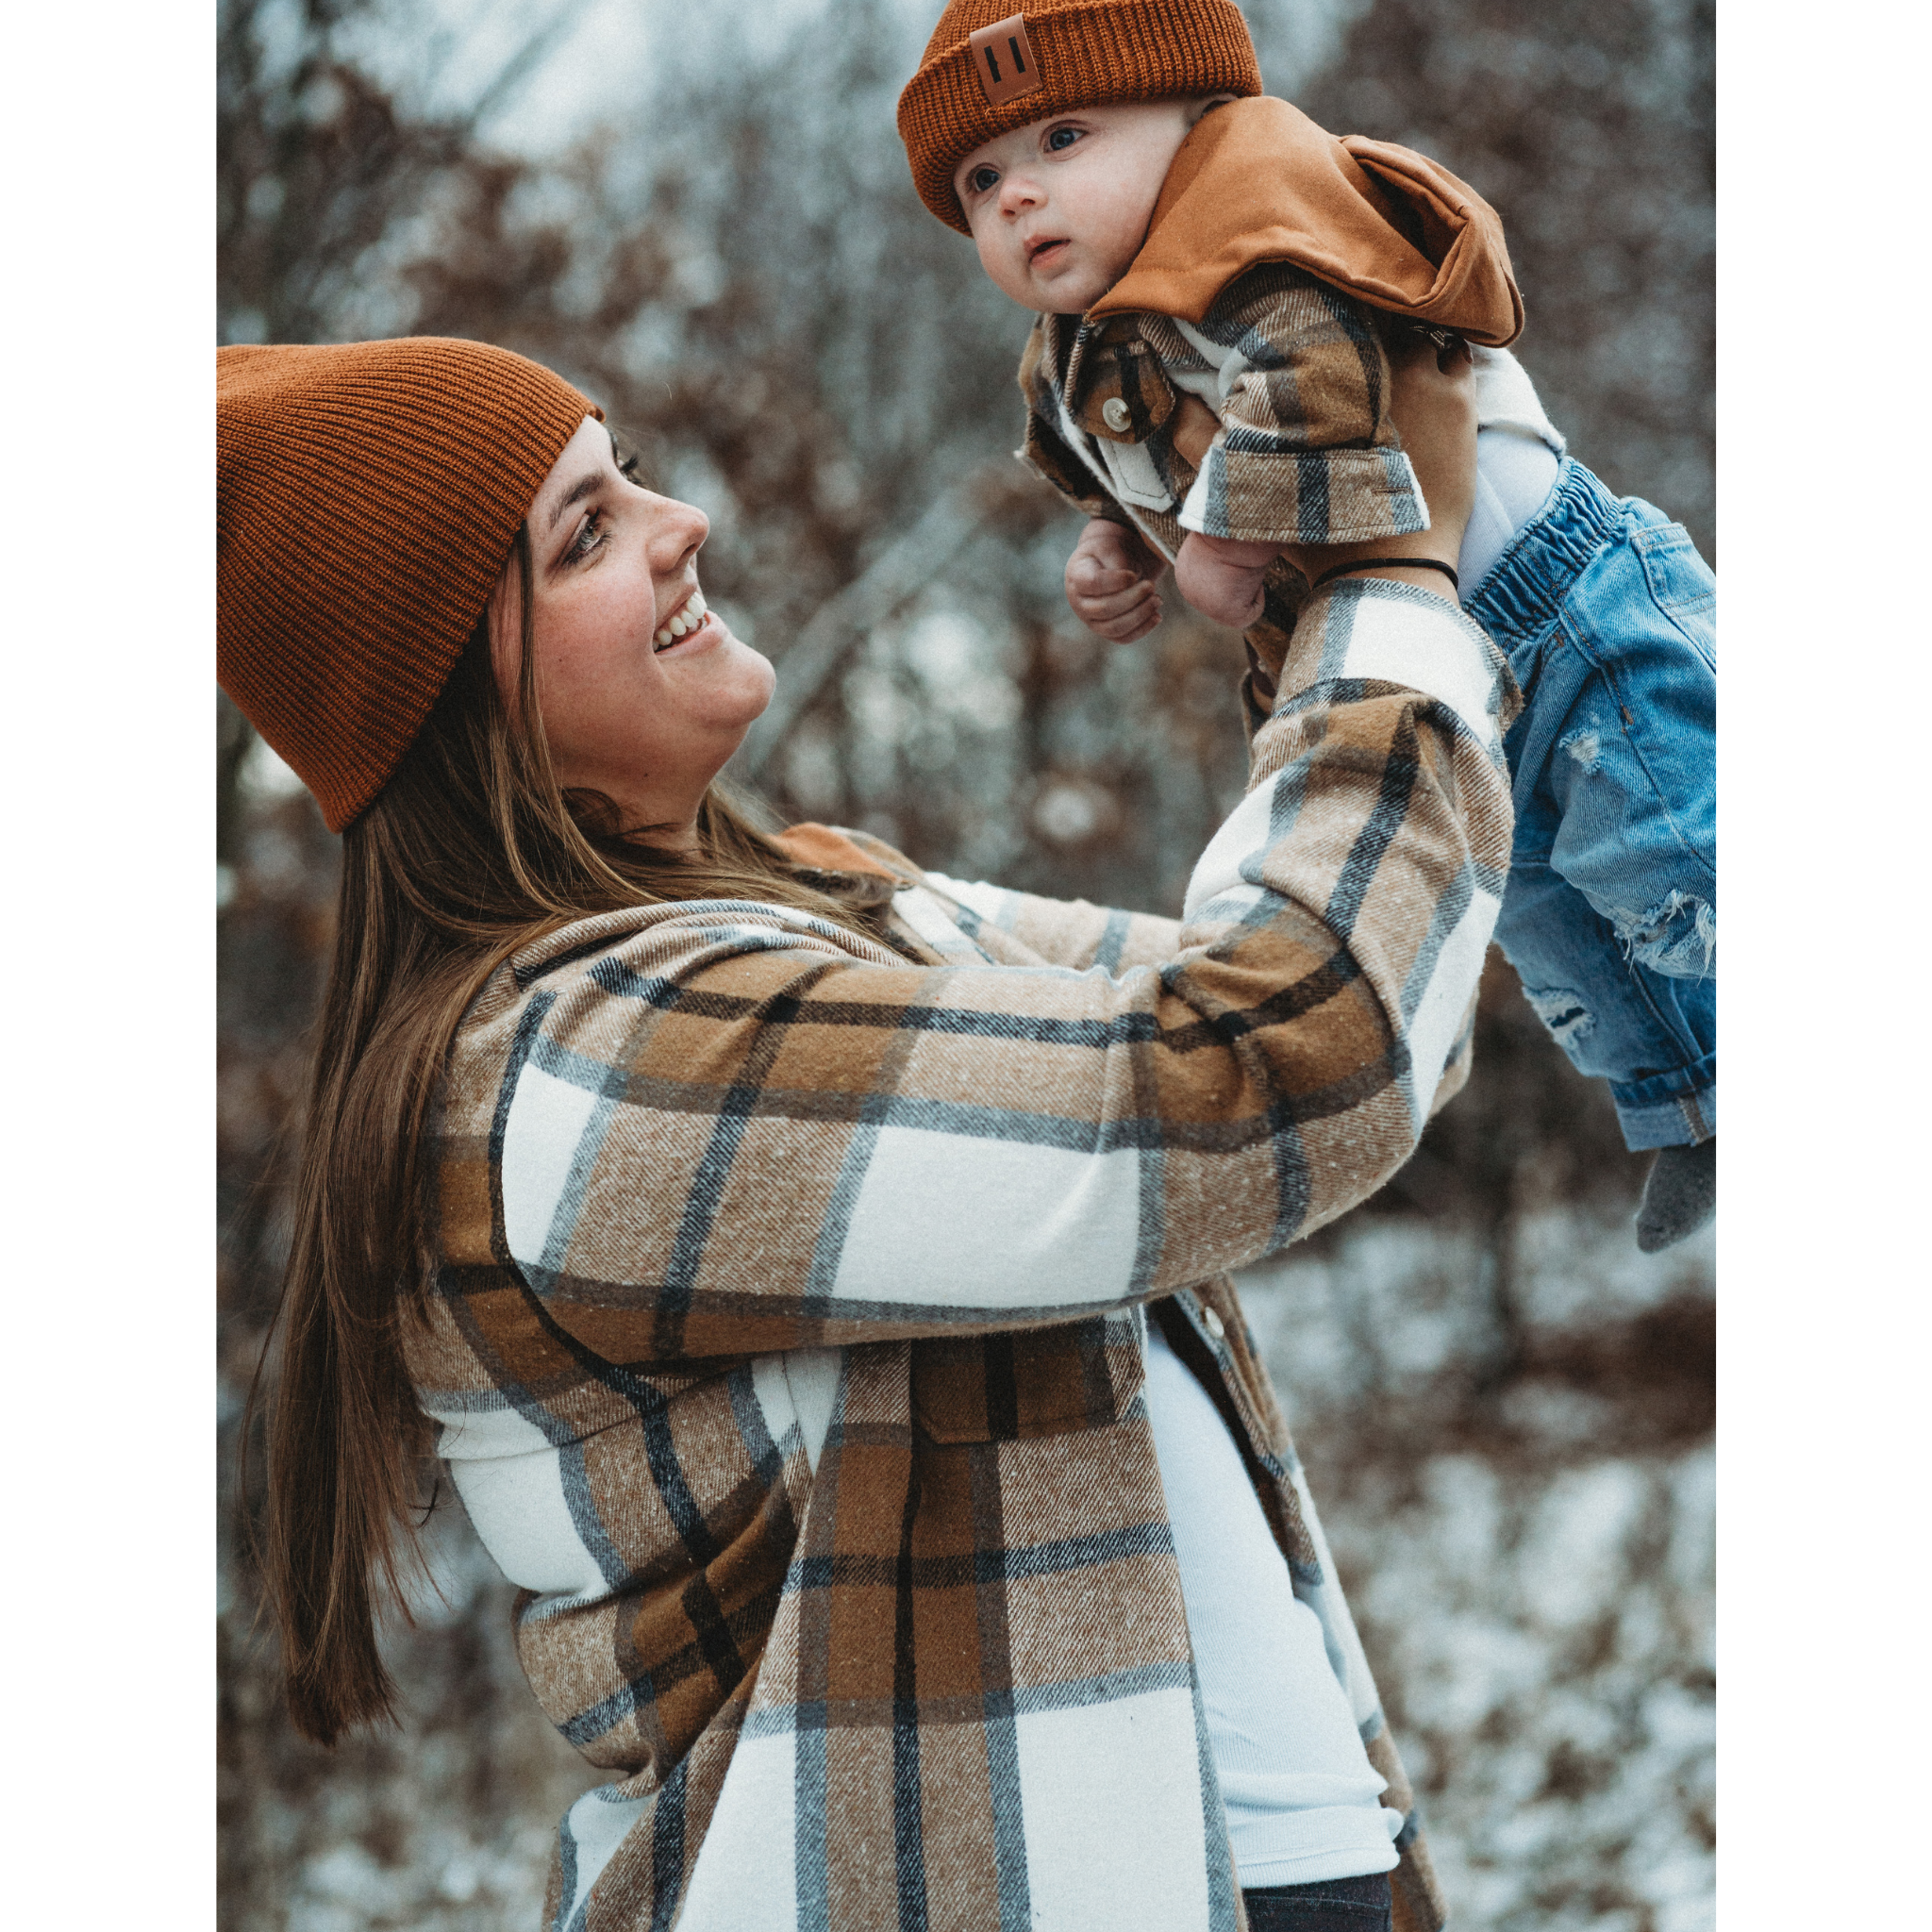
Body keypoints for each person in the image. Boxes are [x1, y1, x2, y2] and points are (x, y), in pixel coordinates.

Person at [219, 327, 1498, 1932]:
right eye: (586, 534)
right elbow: (1286, 1059)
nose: (682, 522)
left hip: (1251, 1869)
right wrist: (1390, 581)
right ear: (450, 699)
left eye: (629, 475)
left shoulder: (835, 900)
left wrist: (1286, 578)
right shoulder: (588, 1069)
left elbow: (1375, 1002)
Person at [898, 0, 1717, 1248]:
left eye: (1064, 138)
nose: (1016, 196)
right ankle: (1689, 1107)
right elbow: (1107, 469)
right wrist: (1113, 546)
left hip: (1564, 599)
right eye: (980, 179)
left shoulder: (1261, 228)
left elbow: (1318, 376)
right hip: (1445, 666)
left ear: (1197, 115)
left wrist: (1226, 542)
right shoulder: (1075, 350)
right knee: (1553, 920)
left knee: (1670, 852)